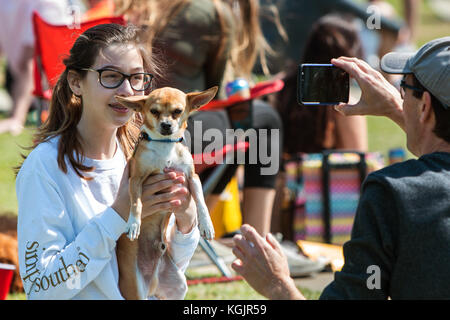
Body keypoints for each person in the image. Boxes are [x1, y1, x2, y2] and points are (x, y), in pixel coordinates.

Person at [231, 36, 450, 299]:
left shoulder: (394, 193)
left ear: (425, 106)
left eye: (404, 88)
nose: (400, 97)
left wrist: (277, 284)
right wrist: (397, 109)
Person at [16, 23, 199, 300]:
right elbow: (42, 288)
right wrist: (117, 215)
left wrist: (186, 221)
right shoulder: (45, 167)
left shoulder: (146, 155)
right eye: (110, 76)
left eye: (137, 79)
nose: (127, 90)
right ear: (76, 82)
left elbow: (160, 273)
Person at [115, 0, 281, 237]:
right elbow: (221, 90)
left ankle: (195, 230)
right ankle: (258, 240)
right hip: (173, 133)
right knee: (262, 121)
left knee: (237, 133)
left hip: (127, 126)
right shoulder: (212, 12)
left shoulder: (140, 5)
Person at [276, 14, 368, 155]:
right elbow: (359, 165)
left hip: (279, 174)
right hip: (326, 176)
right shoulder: (346, 104)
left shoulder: (279, 87)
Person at [0, 0, 75, 135]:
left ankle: (21, 115)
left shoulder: (47, 4)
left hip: (56, 88)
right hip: (26, 84)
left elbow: (32, 62)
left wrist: (16, 118)